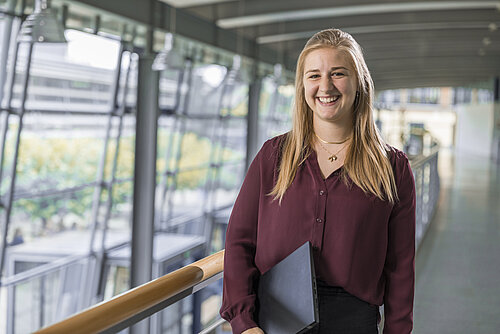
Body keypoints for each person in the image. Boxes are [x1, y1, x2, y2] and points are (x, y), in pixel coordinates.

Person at [220, 28, 416, 334]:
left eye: (337, 73)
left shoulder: (392, 168)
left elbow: (400, 266)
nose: (325, 86)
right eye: (314, 75)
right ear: (302, 85)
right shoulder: (274, 156)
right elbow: (239, 241)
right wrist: (244, 323)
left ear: (359, 82)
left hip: (352, 322)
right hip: (274, 320)